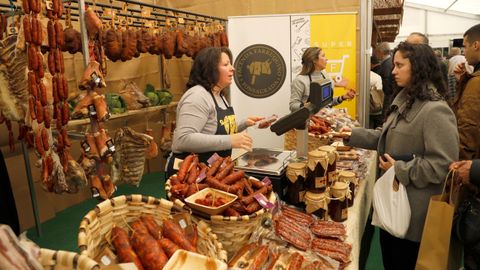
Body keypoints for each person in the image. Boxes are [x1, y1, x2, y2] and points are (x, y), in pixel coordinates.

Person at [342, 42, 459, 270]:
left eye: (399, 65)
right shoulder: (407, 100)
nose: (393, 71)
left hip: (413, 217)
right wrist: (351, 134)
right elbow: (386, 138)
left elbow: (443, 166)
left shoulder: (435, 110)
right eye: (394, 64)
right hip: (394, 206)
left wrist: (400, 169)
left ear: (418, 67)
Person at [166, 47, 268, 176]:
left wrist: (244, 124)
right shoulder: (197, 96)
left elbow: (213, 129)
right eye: (226, 64)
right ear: (210, 69)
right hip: (188, 174)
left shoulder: (219, 95)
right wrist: (230, 141)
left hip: (209, 172)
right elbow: (183, 139)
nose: (233, 68)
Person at [289, 47, 355, 112]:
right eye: (323, 56)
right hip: (307, 121)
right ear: (314, 60)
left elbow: (327, 103)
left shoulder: (326, 76)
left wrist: (342, 97)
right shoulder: (300, 81)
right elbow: (292, 106)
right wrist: (305, 106)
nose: (327, 59)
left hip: (322, 119)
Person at [451, 23, 480, 161]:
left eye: (465, 46)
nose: (464, 52)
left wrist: (460, 168)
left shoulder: (476, 83)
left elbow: (468, 128)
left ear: (476, 45)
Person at [372, 42, 393, 118]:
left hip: (387, 96)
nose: (376, 55)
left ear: (381, 52)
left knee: (385, 116)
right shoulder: (389, 61)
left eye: (377, 52)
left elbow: (387, 83)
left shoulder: (387, 64)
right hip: (389, 95)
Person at [370, 56, 384, 129]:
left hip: (367, 108)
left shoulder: (364, 76)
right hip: (376, 108)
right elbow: (379, 90)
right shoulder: (377, 77)